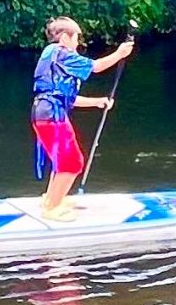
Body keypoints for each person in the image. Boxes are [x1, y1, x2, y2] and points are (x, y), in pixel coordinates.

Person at [30, 18, 134, 221]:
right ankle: (51, 208)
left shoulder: (50, 55)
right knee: (72, 163)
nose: (78, 43)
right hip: (52, 115)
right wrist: (120, 54)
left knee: (63, 160)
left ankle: (51, 198)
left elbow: (66, 97)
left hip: (45, 112)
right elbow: (95, 67)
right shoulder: (62, 53)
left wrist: (97, 102)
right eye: (75, 37)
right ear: (64, 37)